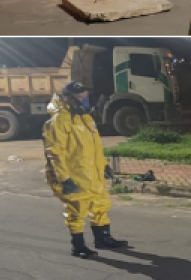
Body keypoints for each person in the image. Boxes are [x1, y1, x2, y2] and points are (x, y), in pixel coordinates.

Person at [43, 81, 128, 259]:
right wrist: (64, 178)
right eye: (80, 98)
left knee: (101, 204)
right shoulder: (59, 121)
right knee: (77, 209)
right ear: (67, 99)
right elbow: (55, 153)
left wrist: (103, 164)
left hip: (93, 172)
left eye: (86, 97)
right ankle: (78, 246)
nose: (85, 101)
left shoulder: (86, 118)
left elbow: (95, 146)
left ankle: (103, 238)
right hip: (75, 174)